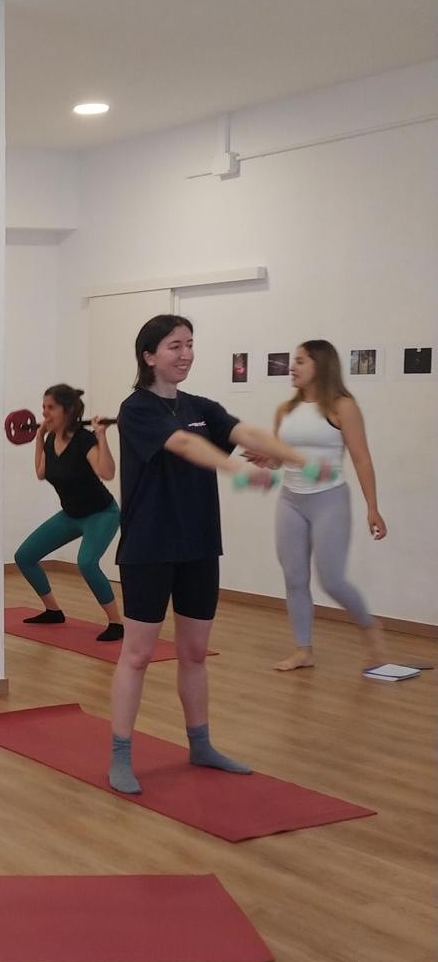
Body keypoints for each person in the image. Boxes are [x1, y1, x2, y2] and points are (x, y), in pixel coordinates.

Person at [107, 315, 319, 796]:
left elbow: (246, 433)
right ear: (149, 356)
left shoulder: (200, 406)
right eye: (174, 346)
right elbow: (184, 445)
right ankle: (120, 754)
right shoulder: (136, 408)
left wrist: (294, 457)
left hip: (199, 545)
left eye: (189, 344)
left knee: (195, 652)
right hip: (149, 548)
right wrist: (235, 469)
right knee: (138, 655)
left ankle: (201, 745)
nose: (185, 354)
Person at [264, 341, 388, 671]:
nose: (292, 367)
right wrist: (266, 458)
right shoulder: (285, 411)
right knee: (294, 577)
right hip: (290, 500)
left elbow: (361, 458)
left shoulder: (342, 407)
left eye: (300, 361)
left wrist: (372, 507)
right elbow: (278, 458)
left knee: (331, 579)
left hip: (329, 499)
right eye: (293, 361)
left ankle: (370, 626)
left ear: (320, 365)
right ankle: (303, 650)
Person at [14, 383, 123, 641]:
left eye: (50, 408)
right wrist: (39, 437)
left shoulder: (84, 440)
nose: (44, 413)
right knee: (25, 556)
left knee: (86, 563)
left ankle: (117, 623)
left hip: (101, 514)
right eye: (43, 407)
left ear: (67, 410)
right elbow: (41, 473)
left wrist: (101, 436)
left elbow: (107, 473)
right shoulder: (51, 439)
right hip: (71, 515)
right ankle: (53, 611)